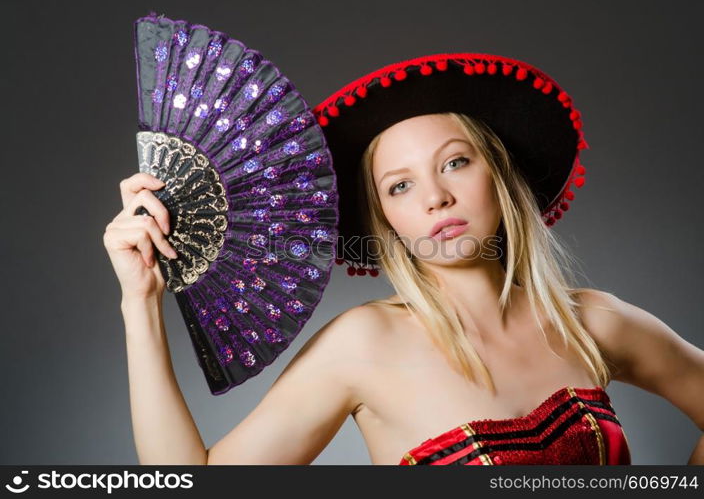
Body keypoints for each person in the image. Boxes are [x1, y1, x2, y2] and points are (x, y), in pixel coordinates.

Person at [103, 53, 704, 465]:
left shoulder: (594, 322)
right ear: (383, 216)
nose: (436, 196)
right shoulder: (363, 345)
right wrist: (141, 301)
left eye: (455, 162)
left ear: (498, 172)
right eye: (399, 186)